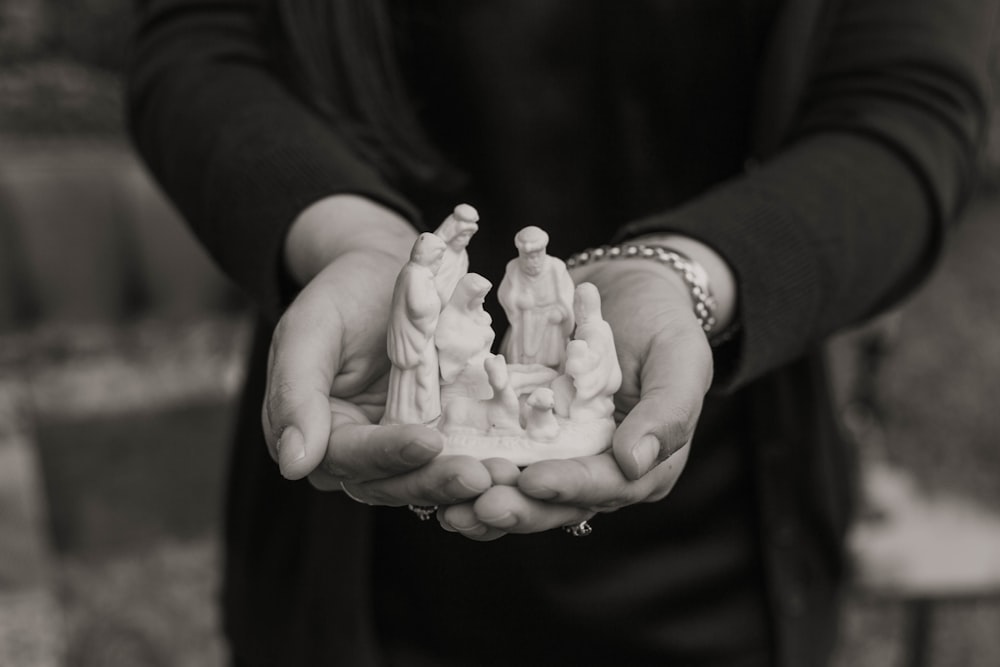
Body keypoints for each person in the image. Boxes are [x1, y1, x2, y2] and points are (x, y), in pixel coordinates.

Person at [126, 1, 997, 665]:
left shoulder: (550, 298)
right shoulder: (486, 288)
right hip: (355, 559)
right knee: (464, 378)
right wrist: (352, 240)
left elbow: (903, 109)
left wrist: (685, 273)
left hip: (725, 541)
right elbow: (201, 41)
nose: (532, 254)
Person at [383, 232, 446, 425]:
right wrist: (437, 303)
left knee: (422, 375)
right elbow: (417, 307)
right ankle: (413, 417)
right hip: (416, 338)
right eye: (439, 258)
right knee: (422, 374)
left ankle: (421, 414)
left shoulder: (418, 273)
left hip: (421, 335)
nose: (440, 263)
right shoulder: (415, 275)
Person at [498, 226, 576, 370]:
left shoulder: (556, 268)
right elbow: (505, 294)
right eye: (527, 257)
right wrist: (518, 301)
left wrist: (561, 312)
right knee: (520, 358)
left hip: (551, 323)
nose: (532, 262)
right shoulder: (513, 268)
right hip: (524, 322)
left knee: (553, 359)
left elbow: (567, 294)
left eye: (536, 256)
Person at [432, 203, 480, 304]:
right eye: (463, 235)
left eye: (469, 235)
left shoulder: (463, 256)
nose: (466, 240)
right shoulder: (440, 251)